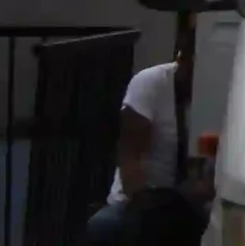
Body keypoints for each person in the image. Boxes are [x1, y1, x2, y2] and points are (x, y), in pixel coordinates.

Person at [84, 45, 206, 244]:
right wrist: (143, 202)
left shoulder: (220, 92)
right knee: (104, 227)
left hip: (191, 201)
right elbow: (130, 154)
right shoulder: (151, 82)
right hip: (145, 197)